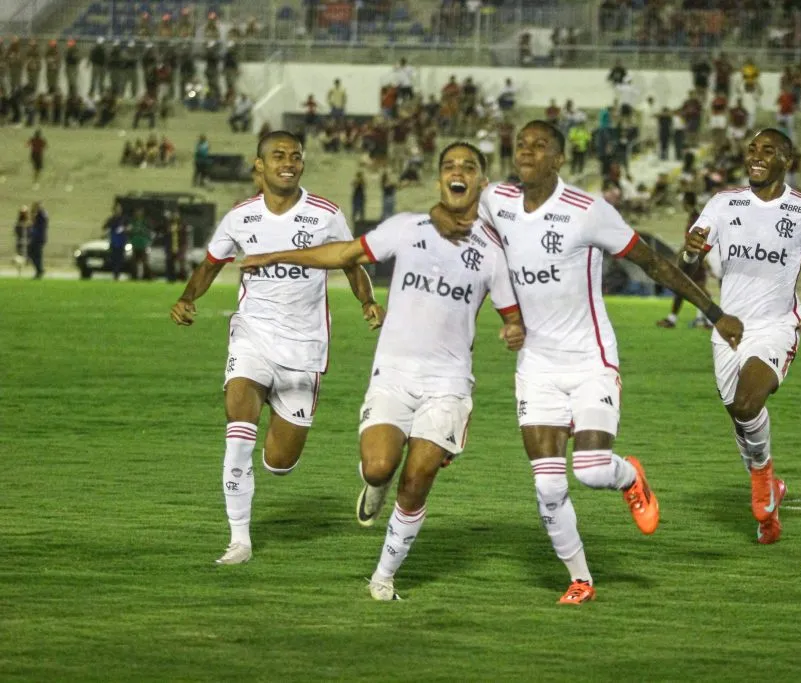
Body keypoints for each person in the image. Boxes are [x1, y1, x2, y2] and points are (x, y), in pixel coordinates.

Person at [430, 120, 744, 604]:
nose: (528, 151)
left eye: (540, 145)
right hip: (535, 366)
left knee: (593, 470)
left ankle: (630, 476)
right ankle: (580, 579)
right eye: (521, 144)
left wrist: (715, 313)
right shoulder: (498, 202)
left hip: (590, 360)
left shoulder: (588, 211)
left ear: (559, 159)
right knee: (549, 488)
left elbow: (654, 263)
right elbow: (454, 210)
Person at [241, 142, 523, 601]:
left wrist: (513, 331)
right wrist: (276, 257)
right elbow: (343, 254)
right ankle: (375, 485)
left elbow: (513, 317)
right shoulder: (406, 228)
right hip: (393, 374)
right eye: (449, 166)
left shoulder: (494, 253)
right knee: (379, 467)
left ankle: (384, 577)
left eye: (468, 167)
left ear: (482, 183)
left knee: (418, 478)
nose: (458, 172)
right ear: (438, 180)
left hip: (447, 384)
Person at [170, 131, 382, 565]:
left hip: (304, 349)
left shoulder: (325, 215)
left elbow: (350, 261)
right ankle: (239, 540)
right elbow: (211, 264)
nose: (288, 162)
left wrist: (367, 301)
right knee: (238, 426)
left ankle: (274, 464)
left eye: (295, 156)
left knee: (279, 462)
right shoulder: (240, 217)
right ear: (259, 166)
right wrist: (188, 297)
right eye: (278, 155)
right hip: (252, 335)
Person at [682, 128, 801, 544]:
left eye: (767, 151)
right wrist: (689, 249)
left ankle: (762, 478)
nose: (755, 156)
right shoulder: (723, 203)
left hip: (775, 326)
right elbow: (690, 258)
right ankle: (769, 496)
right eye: (752, 149)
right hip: (728, 329)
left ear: (785, 160)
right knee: (740, 416)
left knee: (747, 400)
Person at [104, 202, 129, 280]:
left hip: (121, 242)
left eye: (119, 209)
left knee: (120, 259)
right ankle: (115, 274)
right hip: (114, 242)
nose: (118, 211)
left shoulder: (124, 219)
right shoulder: (111, 219)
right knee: (114, 258)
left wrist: (125, 229)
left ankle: (117, 274)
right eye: (116, 209)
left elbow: (129, 227)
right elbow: (105, 227)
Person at [129, 208, 153, 280]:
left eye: (140, 212)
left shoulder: (146, 222)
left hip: (143, 244)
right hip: (135, 244)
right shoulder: (133, 221)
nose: (138, 213)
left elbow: (149, 232)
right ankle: (134, 276)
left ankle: (147, 277)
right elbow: (130, 232)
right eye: (137, 212)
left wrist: (148, 242)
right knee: (133, 262)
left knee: (145, 262)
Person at [27, 202, 48, 279]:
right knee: (35, 254)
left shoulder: (41, 215)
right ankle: (39, 270)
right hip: (38, 238)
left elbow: (35, 223)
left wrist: (33, 212)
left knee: (35, 254)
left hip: (38, 238)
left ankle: (39, 270)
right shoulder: (42, 215)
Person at [13, 206, 30, 277]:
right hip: (20, 242)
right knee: (19, 256)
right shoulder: (18, 223)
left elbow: (30, 232)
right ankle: (20, 271)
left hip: (27, 242)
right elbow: (16, 231)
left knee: (25, 256)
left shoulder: (28, 223)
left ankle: (23, 269)